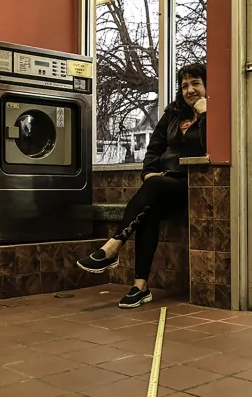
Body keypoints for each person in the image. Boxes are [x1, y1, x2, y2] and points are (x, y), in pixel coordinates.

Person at [77, 62, 208, 308]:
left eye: (196, 84)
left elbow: (206, 147)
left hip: (191, 185)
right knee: (150, 209)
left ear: (206, 85)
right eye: (184, 86)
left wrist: (205, 115)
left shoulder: (214, 115)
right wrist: (148, 172)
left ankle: (113, 246)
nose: (190, 90)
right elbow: (154, 148)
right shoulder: (172, 114)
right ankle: (140, 286)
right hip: (162, 184)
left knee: (155, 189)